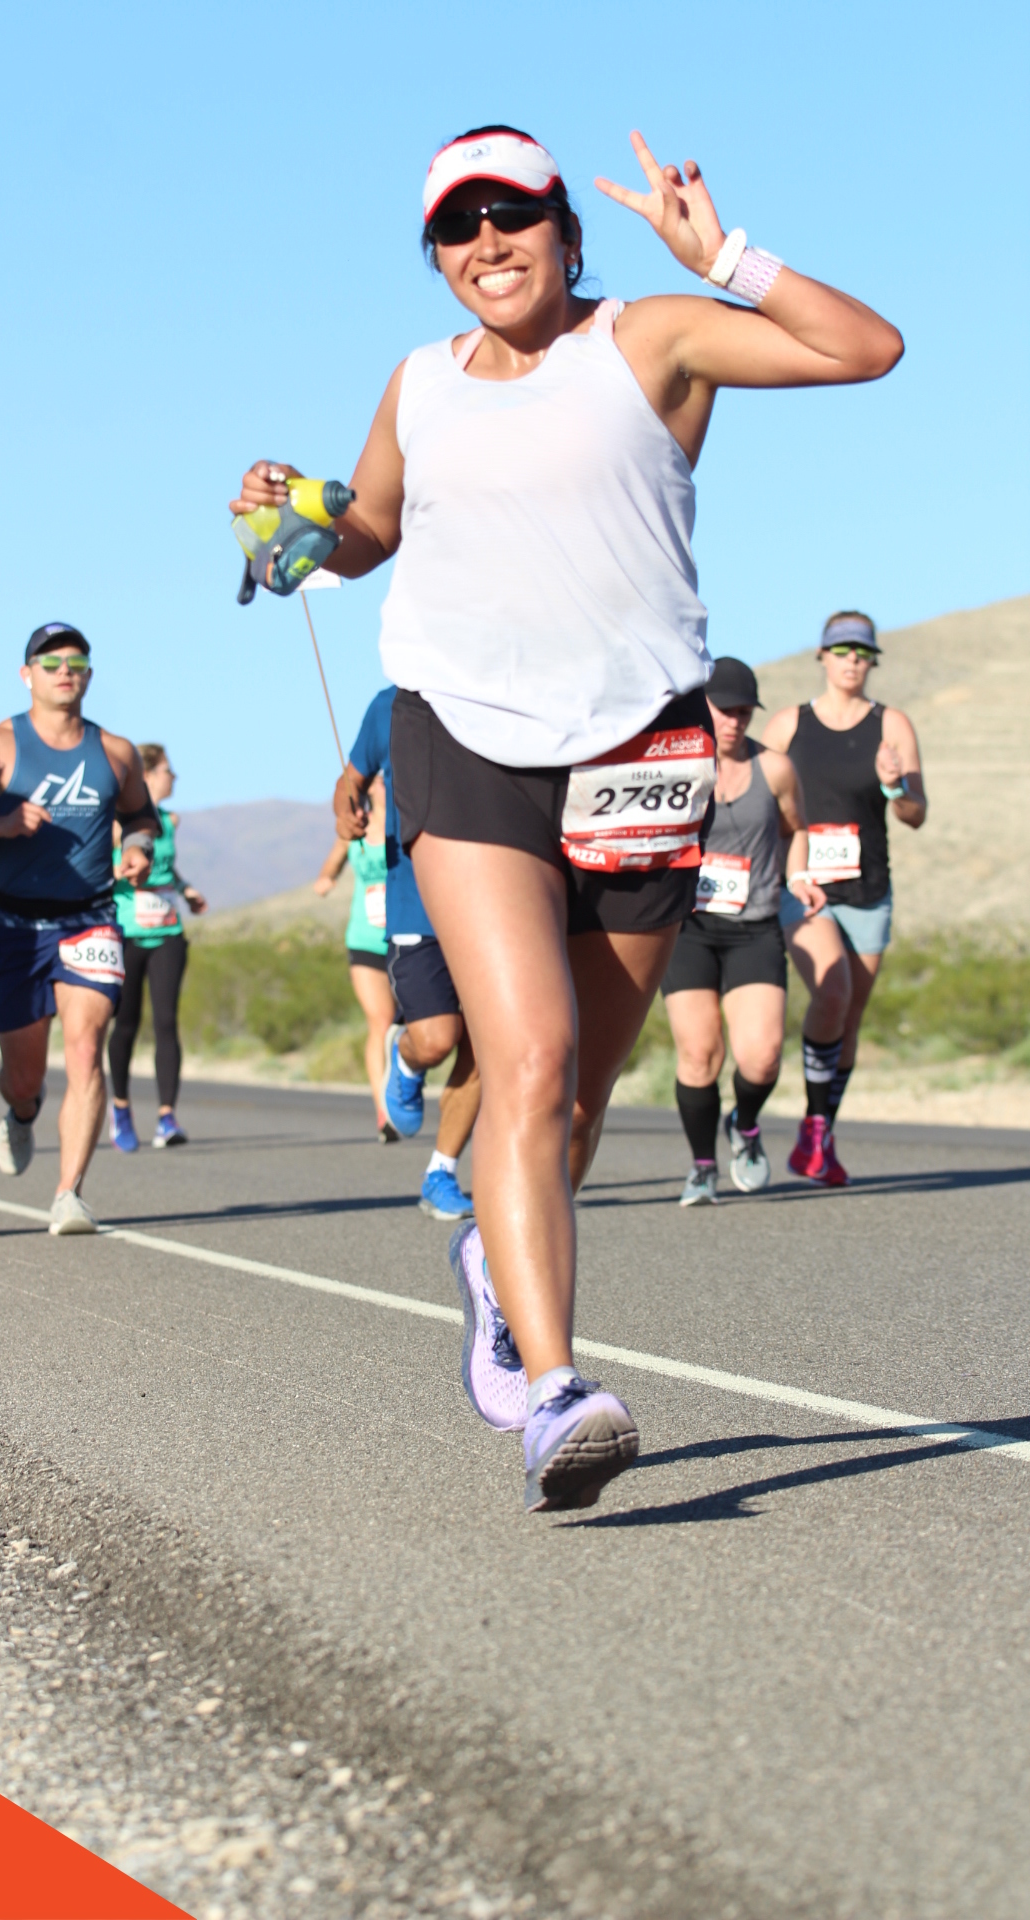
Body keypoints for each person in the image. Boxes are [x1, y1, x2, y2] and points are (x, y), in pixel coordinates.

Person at [232, 124, 902, 1510]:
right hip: (466, 745)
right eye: (458, 225)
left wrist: (725, 257)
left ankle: (494, 1258)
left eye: (514, 214)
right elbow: (369, 530)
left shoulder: (649, 338)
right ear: (436, 254)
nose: (488, 242)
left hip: (638, 753)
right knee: (527, 1062)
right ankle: (555, 1391)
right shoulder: (419, 382)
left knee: (580, 1097)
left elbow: (865, 349)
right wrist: (297, 524)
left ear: (564, 230)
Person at [0, 622, 158, 1234]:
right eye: (50, 663)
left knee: (85, 1050)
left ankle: (69, 1194)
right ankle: (23, 1113)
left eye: (75, 662)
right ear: (26, 675)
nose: (64, 672)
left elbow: (142, 817)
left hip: (91, 920)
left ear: (89, 674)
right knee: (23, 1077)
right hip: (16, 926)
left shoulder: (116, 752)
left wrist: (137, 848)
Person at [762, 611, 926, 1184]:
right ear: (822, 657)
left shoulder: (892, 724)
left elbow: (915, 815)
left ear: (873, 660)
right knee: (833, 993)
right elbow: (753, 793)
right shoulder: (789, 724)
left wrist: (893, 784)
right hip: (804, 886)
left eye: (862, 652)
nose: (852, 661)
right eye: (842, 650)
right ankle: (809, 1125)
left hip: (868, 888)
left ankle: (818, 1135)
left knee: (849, 1015)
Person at [660, 658, 825, 1205]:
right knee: (699, 1053)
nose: (734, 721)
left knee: (762, 1056)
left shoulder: (774, 768)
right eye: (724, 710)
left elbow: (796, 828)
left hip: (754, 926)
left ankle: (745, 1125)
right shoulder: (679, 762)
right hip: (688, 926)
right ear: (702, 707)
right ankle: (703, 1166)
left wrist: (798, 875)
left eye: (744, 712)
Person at [334, 685, 481, 1221]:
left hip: (492, 907)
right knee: (438, 1038)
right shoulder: (392, 704)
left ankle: (441, 1171)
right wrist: (344, 814)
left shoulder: (504, 691)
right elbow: (349, 781)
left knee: (487, 1047)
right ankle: (407, 1055)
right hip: (415, 906)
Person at [108, 742, 207, 1150]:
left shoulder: (169, 820)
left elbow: (165, 865)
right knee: (126, 1023)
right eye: (168, 771)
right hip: (128, 932)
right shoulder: (117, 824)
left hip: (167, 932)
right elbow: (99, 868)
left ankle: (167, 1117)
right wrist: (119, 872)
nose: (173, 778)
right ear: (146, 775)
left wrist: (185, 889)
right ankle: (120, 1108)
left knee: (166, 1022)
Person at [314, 774, 396, 1139]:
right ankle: (384, 1110)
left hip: (406, 938)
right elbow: (330, 866)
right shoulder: (355, 829)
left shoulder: (406, 826)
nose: (384, 785)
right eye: (378, 781)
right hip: (365, 939)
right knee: (381, 1020)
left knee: (409, 1027)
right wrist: (326, 880)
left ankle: (403, 1084)